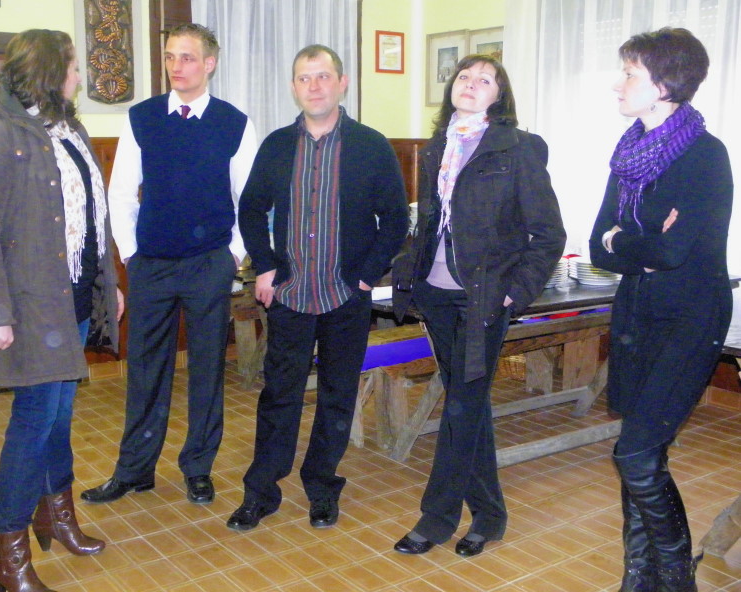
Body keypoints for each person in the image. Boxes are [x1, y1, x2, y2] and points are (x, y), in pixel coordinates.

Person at [0, 29, 122, 592]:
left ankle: (55, 515)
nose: (79, 77)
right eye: (73, 67)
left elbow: (91, 214)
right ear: (50, 71)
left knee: (59, 416)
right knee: (33, 422)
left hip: (71, 298)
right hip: (29, 306)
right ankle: (6, 550)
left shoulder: (68, 127)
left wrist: (106, 283)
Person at [391, 54, 565, 557]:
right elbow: (431, 223)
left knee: (462, 405)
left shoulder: (518, 148)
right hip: (436, 295)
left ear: (499, 96)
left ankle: (436, 518)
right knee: (468, 407)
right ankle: (490, 515)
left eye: (484, 79)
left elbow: (548, 233)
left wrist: (515, 291)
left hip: (483, 299)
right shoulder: (438, 148)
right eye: (464, 76)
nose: (470, 83)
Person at [229, 44, 408, 531]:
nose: (315, 86)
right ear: (294, 87)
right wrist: (265, 267)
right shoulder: (277, 146)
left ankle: (322, 484)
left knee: (337, 395)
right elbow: (250, 209)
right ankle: (261, 491)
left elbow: (395, 219)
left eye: (324, 76)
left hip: (345, 295)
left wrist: (366, 275)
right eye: (305, 78)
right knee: (279, 395)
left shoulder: (371, 146)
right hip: (289, 293)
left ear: (342, 83)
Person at [80, 24, 257, 507]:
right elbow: (121, 193)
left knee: (206, 369)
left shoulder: (234, 123)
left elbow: (249, 199)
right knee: (144, 369)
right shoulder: (142, 118)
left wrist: (232, 256)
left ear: (210, 64)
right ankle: (135, 469)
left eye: (187, 57)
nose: (176, 66)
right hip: (151, 265)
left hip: (208, 265)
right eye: (170, 56)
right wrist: (132, 255)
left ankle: (198, 467)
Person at [589, 28, 733, 592]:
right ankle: (639, 574)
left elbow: (675, 254)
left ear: (666, 84)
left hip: (690, 318)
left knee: (635, 453)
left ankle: (676, 578)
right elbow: (598, 242)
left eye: (630, 74)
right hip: (636, 315)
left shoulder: (706, 156)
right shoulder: (628, 155)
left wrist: (626, 240)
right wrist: (638, 244)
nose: (618, 84)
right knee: (644, 454)